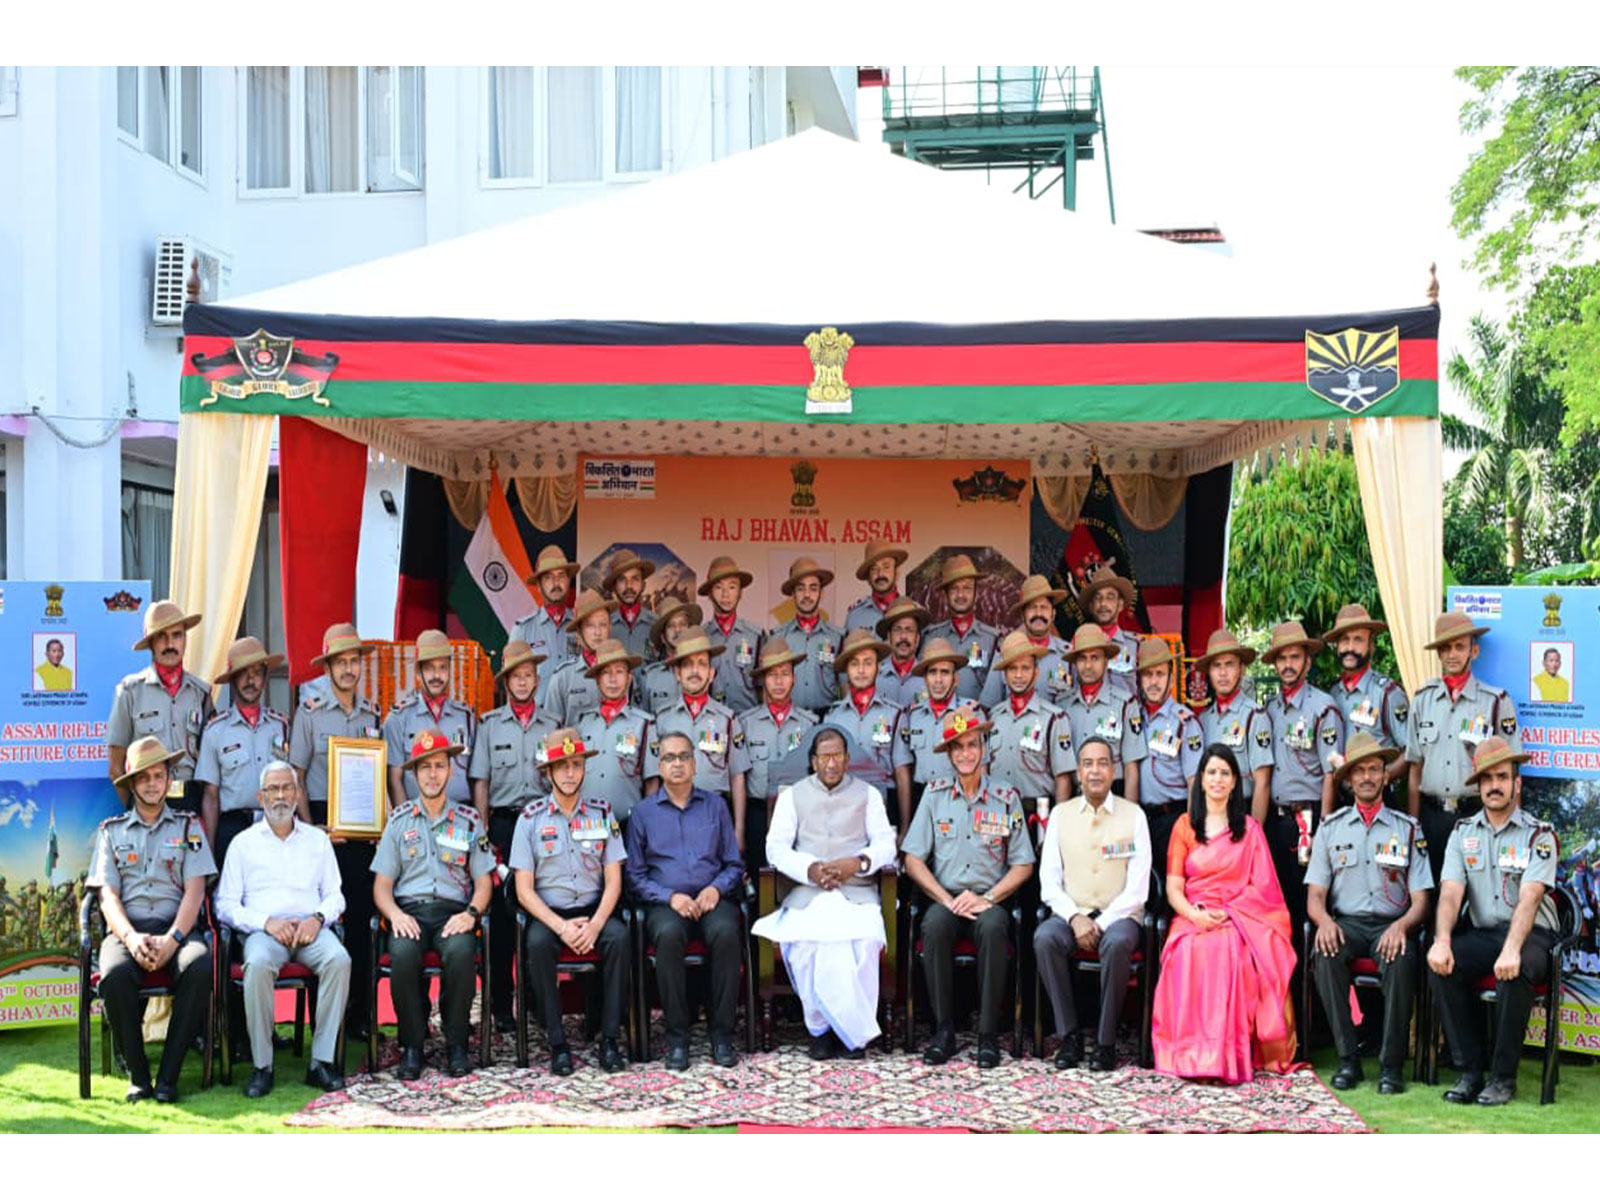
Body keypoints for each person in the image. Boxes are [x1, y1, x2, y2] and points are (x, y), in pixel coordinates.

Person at [1151, 744, 1297, 1084]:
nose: (1217, 779)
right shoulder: (1184, 826)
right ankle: (1187, 1055)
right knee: (1186, 950)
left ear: (1235, 783)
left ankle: (1224, 1057)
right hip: (1192, 914)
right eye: (1211, 772)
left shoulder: (1249, 829)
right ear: (1200, 780)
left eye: (1225, 773)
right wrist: (1195, 915)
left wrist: (1230, 914)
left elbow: (1263, 889)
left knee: (1230, 951)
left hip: (1238, 918)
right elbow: (1174, 888)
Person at [1428, 735, 1560, 1106]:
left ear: (1517, 784)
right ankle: (1469, 1071)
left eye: (1502, 777)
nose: (1494, 786)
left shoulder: (1540, 834)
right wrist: (1442, 940)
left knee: (1513, 970)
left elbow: (1531, 897)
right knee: (1442, 965)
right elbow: (1451, 893)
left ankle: (1503, 1078)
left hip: (1534, 936)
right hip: (1486, 933)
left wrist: (1512, 948)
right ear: (1479, 787)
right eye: (1486, 779)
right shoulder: (1462, 833)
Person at [901, 706, 1036, 1068]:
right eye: (957, 747)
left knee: (994, 929)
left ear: (984, 747)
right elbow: (912, 858)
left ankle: (987, 1034)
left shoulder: (1006, 797)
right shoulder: (934, 794)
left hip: (989, 899)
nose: (965, 754)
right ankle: (943, 1030)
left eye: (972, 745)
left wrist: (987, 898)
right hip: (945, 898)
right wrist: (945, 899)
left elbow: (1023, 863)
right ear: (948, 753)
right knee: (932, 926)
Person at [752, 724, 896, 1059]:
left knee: (864, 941)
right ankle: (819, 1030)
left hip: (856, 892)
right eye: (824, 757)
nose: (831, 764)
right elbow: (775, 848)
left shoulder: (868, 795)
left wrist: (857, 863)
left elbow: (887, 845)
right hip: (809, 894)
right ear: (813, 761)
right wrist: (810, 869)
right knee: (805, 945)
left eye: (837, 757)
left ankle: (851, 1034)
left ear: (847, 760)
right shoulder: (793, 796)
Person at [86, 736, 215, 1103]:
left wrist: (173, 939)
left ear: (168, 778)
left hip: (177, 929)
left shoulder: (189, 827)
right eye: (144, 778)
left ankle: (169, 1076)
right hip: (128, 931)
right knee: (112, 974)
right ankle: (139, 1076)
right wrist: (129, 939)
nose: (153, 783)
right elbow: (107, 896)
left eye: (159, 775)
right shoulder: (111, 832)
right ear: (131, 783)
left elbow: (195, 891)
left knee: (199, 965)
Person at [1305, 731, 1432, 1094]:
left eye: (1374, 769)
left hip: (1391, 924)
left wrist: (1403, 927)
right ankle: (1349, 1060)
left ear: (1384, 775)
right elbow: (1315, 895)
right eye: (1359, 771)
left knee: (1402, 958)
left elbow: (1422, 899)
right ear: (1348, 779)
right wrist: (1325, 921)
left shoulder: (1407, 829)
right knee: (1324, 953)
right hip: (1346, 923)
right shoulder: (1330, 829)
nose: (1367, 777)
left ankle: (1391, 1067)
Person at [214, 761, 350, 1097]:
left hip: (310, 930)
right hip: (264, 933)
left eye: (286, 788)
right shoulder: (242, 844)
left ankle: (321, 1061)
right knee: (257, 964)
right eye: (272, 789)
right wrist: (266, 923)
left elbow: (336, 895)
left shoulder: (317, 840)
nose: (279, 795)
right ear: (260, 797)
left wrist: (317, 918)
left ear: (298, 793)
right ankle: (263, 1065)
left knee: (339, 960)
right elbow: (225, 904)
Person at [371, 728, 495, 1080]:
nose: (432, 774)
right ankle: (412, 1045)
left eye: (439, 766)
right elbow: (381, 886)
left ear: (450, 770)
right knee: (404, 954)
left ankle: (456, 1044)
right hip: (408, 911)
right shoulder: (398, 822)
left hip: (453, 913)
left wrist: (471, 914)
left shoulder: (469, 821)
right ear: (413, 773)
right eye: (424, 768)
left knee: (459, 953)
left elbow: (484, 881)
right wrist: (394, 914)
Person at [625, 730, 748, 1069]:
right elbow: (634, 876)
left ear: (695, 764)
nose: (676, 764)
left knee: (726, 932)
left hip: (711, 899)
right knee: (667, 935)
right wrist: (669, 897)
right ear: (659, 766)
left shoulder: (715, 806)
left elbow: (734, 864)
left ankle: (722, 1035)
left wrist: (716, 889)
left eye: (683, 757)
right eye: (669, 758)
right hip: (667, 905)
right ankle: (677, 1038)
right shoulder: (643, 813)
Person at [510, 728, 630, 1074]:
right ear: (547, 772)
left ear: (584, 769)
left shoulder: (602, 813)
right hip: (550, 915)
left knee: (620, 939)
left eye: (576, 764)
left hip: (595, 911)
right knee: (536, 944)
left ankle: (609, 1039)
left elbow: (614, 881)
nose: (569, 773)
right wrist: (561, 927)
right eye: (561, 766)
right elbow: (523, 890)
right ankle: (558, 1043)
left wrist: (594, 925)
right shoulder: (530, 819)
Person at [287, 621, 383, 1040]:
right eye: (340, 662)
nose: (348, 669)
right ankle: (325, 1022)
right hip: (323, 827)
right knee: (322, 925)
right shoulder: (309, 709)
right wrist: (311, 831)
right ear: (328, 666)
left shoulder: (371, 712)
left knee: (362, 924)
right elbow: (297, 775)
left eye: (353, 661)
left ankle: (361, 1017)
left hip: (361, 832)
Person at [1034, 735, 1152, 1071]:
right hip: (1074, 912)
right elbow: (1049, 881)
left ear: (1114, 770)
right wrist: (1075, 917)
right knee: (1044, 938)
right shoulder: (1060, 814)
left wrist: (1100, 923)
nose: (1095, 771)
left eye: (1102, 763)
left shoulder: (1135, 816)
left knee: (1115, 945)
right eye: (1088, 764)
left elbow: (1138, 889)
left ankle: (1105, 1042)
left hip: (1120, 916)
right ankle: (1069, 1036)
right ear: (1078, 772)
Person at [468, 639, 558, 1033]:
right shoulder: (489, 725)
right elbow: (481, 783)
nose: (522, 683)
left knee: (539, 912)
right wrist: (484, 834)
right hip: (504, 825)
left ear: (537, 679)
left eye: (528, 675)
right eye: (515, 677)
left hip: (542, 825)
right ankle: (501, 1004)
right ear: (505, 682)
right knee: (502, 923)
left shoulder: (552, 726)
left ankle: (538, 1001)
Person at [1406, 611, 1521, 883]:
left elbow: (1513, 774)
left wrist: (1511, 829)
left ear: (1475, 650)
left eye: (1459, 646)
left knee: (1475, 901)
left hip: (1476, 817)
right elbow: (1414, 770)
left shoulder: (1495, 702)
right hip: (1431, 819)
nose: (1452, 654)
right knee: (1432, 900)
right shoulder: (1422, 700)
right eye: (1445, 647)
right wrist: (1413, 827)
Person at [1262, 619, 1346, 939]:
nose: (1287, 664)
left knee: (1305, 907)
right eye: (1281, 658)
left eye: (1294, 657)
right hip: (1277, 819)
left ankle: (1308, 985)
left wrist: (1323, 829)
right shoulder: (1269, 709)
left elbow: (1331, 773)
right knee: (1277, 903)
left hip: (1309, 821)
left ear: (1307, 662)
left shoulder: (1323, 708)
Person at [644, 631, 751, 848]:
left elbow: (737, 778)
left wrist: (738, 830)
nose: (695, 671)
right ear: (677, 673)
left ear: (711, 673)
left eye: (702, 664)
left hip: (715, 819)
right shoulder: (661, 718)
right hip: (669, 818)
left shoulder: (727, 719)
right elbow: (653, 778)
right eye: (688, 664)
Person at [107, 599, 214, 812]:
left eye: (177, 635)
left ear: (185, 640)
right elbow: (115, 768)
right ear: (151, 644)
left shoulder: (201, 694)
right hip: (146, 802)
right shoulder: (130, 692)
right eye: (162, 637)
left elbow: (211, 764)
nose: (170, 644)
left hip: (189, 802)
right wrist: (135, 808)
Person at [196, 636, 295, 863]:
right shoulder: (215, 731)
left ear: (265, 677)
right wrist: (209, 850)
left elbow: (294, 783)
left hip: (276, 825)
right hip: (232, 829)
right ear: (232, 679)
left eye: (257, 673)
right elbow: (210, 797)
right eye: (243, 673)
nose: (251, 680)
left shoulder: (280, 726)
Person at [738, 639, 819, 873]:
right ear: (762, 680)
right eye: (772, 675)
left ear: (794, 678)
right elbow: (740, 778)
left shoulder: (809, 724)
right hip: (757, 813)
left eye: (785, 674)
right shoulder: (746, 723)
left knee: (795, 878)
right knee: (758, 876)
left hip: (800, 816)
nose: (779, 681)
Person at [824, 628, 912, 831]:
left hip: (884, 804)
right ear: (846, 669)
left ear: (878, 667)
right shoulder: (833, 716)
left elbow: (902, 773)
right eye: (854, 663)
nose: (861, 670)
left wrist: (905, 827)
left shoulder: (895, 715)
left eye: (867, 662)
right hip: (843, 806)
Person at [1131, 638, 1203, 876]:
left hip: (1173, 818)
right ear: (1140, 680)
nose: (1153, 681)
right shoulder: (1132, 718)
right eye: (1148, 674)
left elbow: (1195, 782)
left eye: (1160, 674)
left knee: (1174, 884)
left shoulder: (1184, 721)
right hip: (1142, 819)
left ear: (1171, 678)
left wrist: (1192, 828)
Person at [984, 630, 1075, 815]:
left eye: (1025, 668)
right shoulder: (994, 717)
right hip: (998, 813)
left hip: (1037, 814)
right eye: (1012, 669)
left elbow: (1063, 778)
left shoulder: (1054, 718)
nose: (1019, 675)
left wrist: (1057, 827)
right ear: (1004, 675)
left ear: (1036, 672)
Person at [385, 628, 477, 809]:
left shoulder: (466, 717)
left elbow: (476, 777)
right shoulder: (398, 718)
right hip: (416, 815)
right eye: (430, 668)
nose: (437, 676)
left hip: (459, 819)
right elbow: (394, 779)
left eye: (443, 667)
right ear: (418, 673)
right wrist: (406, 824)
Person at [1056, 625, 1145, 800]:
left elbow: (1131, 767)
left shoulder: (1125, 704)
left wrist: (1129, 816)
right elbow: (1061, 771)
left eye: (1095, 658)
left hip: (1114, 794)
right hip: (1075, 796)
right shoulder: (1062, 705)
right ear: (1074, 664)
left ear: (1106, 661)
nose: (1088, 665)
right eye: (1082, 658)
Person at [1194, 629, 1274, 822]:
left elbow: (1262, 783)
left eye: (1229, 664)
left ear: (1242, 669)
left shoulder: (1254, 716)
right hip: (1212, 815)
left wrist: (1254, 836)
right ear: (1208, 673)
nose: (1223, 673)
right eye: (1216, 666)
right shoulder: (1204, 720)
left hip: (1243, 811)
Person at [571, 638, 653, 825]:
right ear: (598, 680)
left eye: (619, 672)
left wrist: (648, 825)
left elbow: (651, 783)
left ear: (629, 678)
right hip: (587, 824)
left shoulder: (644, 724)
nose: (613, 679)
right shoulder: (583, 723)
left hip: (628, 823)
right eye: (606, 673)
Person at [1325, 603, 1409, 783]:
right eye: (1344, 640)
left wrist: (1384, 777)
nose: (1350, 647)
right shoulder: (1332, 694)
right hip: (1342, 798)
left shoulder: (1387, 693)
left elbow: (1410, 750)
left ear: (1371, 646)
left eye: (1358, 640)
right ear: (1336, 646)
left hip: (1379, 796)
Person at [898, 637, 972, 822]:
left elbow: (982, 771)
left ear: (956, 678)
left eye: (945, 672)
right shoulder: (911, 716)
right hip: (921, 799)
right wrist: (906, 824)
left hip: (958, 799)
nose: (938, 680)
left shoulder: (971, 713)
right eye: (932, 672)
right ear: (925, 678)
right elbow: (906, 769)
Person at [766, 556, 843, 714]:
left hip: (826, 719)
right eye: (801, 588)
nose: (807, 594)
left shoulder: (838, 637)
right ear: (793, 594)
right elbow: (767, 688)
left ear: (821, 593)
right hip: (790, 720)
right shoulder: (778, 637)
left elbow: (845, 686)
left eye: (813, 588)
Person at [979, 574, 1071, 708]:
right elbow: (988, 706)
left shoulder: (1068, 656)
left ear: (1053, 614)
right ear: (1023, 615)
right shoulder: (1004, 653)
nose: (1038, 613)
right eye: (1032, 607)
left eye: (1044, 607)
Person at [922, 554, 1000, 702]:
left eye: (967, 588)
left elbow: (997, 691)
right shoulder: (931, 637)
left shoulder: (992, 639)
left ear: (976, 593)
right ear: (945, 594)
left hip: (978, 720)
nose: (960, 595)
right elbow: (921, 684)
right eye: (954, 589)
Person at [511, 544, 581, 703]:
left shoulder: (582, 626)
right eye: (548, 577)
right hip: (538, 721)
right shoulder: (523, 629)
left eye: (561, 575)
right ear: (539, 585)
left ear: (569, 581)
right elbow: (512, 681)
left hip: (576, 719)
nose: (556, 583)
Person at [543, 589, 621, 724]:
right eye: (590, 625)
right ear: (579, 631)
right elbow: (551, 731)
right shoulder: (563, 678)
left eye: (602, 625)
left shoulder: (623, 673)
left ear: (610, 628)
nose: (597, 632)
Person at [700, 554, 763, 713]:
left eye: (732, 587)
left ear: (740, 593)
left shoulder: (756, 636)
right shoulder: (700, 637)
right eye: (719, 587)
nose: (725, 594)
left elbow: (765, 687)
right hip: (710, 722)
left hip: (747, 721)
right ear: (709, 593)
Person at [1078, 567, 1142, 693]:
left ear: (1120, 604)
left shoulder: (1136, 646)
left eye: (1110, 597)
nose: (1103, 603)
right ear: (1091, 606)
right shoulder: (1078, 645)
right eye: (1098, 598)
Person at [637, 596, 702, 715]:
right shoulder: (649, 677)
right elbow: (644, 721)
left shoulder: (703, 671)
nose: (678, 630)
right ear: (662, 636)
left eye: (683, 624)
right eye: (671, 625)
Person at [875, 596, 930, 709]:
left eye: (909, 630)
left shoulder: (929, 678)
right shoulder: (874, 677)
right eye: (897, 629)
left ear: (918, 638)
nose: (903, 636)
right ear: (889, 637)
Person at [843, 540, 909, 633]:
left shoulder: (912, 611)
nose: (880, 574)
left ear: (897, 572)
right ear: (868, 577)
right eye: (874, 569)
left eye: (886, 567)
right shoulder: (854, 616)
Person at [603, 549, 657, 660]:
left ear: (643, 585)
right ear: (614, 586)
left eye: (635, 579)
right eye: (622, 579)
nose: (629, 586)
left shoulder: (656, 625)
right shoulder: (604, 627)